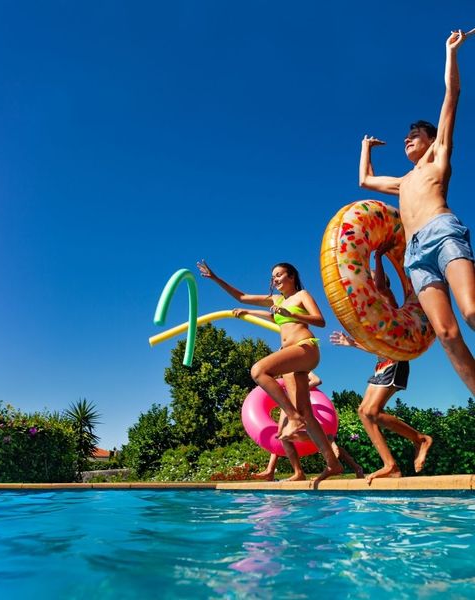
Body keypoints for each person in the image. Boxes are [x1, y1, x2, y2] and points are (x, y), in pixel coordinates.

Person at [358, 28, 475, 397]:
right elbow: (364, 181)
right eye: (406, 137)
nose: (408, 139)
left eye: (414, 135)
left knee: (471, 312)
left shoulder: (438, 158)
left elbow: (452, 94)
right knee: (446, 333)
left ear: (430, 139)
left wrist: (451, 52)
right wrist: (366, 147)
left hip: (442, 233)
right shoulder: (403, 181)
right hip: (415, 255)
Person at [197, 259, 343, 483]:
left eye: (279, 274)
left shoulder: (301, 296)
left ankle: (293, 418)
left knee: (258, 371)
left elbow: (320, 321)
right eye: (273, 276)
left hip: (305, 348)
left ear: (291, 276)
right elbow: (242, 297)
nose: (274, 279)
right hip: (291, 357)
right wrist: (216, 279)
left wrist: (290, 312)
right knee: (308, 414)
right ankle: (333, 464)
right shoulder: (276, 301)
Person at [330, 247, 433, 483]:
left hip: (395, 361)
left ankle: (420, 439)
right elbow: (376, 348)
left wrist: (377, 257)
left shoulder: (386, 300)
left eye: (372, 279)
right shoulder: (374, 314)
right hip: (381, 364)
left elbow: (383, 285)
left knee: (372, 411)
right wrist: (351, 343)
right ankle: (391, 465)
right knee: (363, 412)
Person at [252, 371, 364, 481]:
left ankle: (297, 471)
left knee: (287, 436)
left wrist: (299, 389)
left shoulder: (298, 364)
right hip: (289, 405)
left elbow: (317, 380)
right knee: (282, 436)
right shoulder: (285, 373)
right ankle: (272, 471)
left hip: (300, 404)